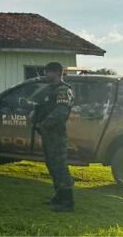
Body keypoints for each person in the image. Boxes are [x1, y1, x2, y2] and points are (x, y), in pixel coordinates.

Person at [34, 62, 75, 212]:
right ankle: (58, 196)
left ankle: (67, 202)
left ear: (58, 72)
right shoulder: (51, 90)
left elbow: (61, 112)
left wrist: (44, 124)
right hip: (48, 134)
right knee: (52, 165)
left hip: (56, 134)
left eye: (49, 72)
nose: (46, 75)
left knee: (59, 167)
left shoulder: (63, 90)